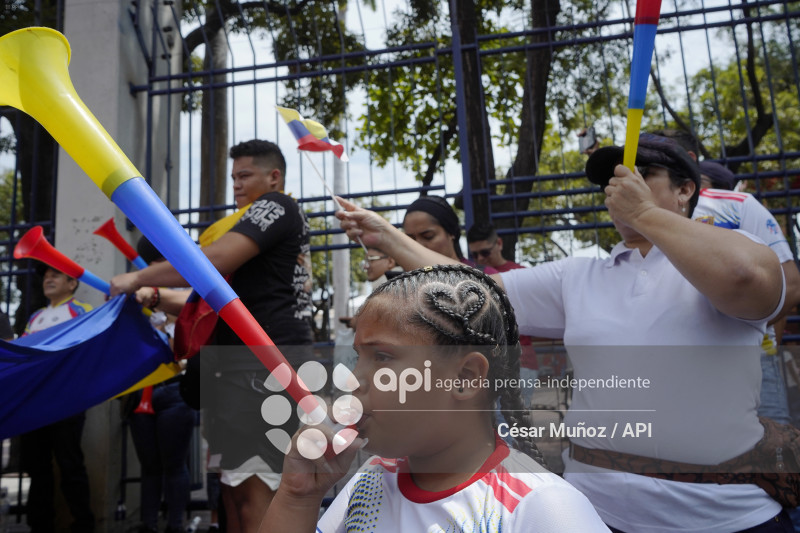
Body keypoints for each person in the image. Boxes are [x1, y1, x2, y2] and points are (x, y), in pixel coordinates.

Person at [334, 134, 791, 531]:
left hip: (723, 518)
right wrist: (388, 237)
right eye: (613, 177)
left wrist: (644, 213)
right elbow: (472, 289)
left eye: (642, 173)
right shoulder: (580, 276)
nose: (620, 184)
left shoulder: (732, 251)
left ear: (685, 189)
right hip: (597, 513)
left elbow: (747, 279)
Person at [260, 264, 610, 532]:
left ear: (465, 377)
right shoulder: (371, 480)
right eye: (358, 357)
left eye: (382, 357)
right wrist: (297, 496)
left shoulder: (542, 508)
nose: (353, 380)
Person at [111, 139, 313, 533]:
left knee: (256, 494)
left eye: (245, 175)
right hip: (239, 370)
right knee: (233, 492)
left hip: (262, 367)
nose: (236, 184)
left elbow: (214, 262)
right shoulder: (253, 230)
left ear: (274, 177)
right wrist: (154, 294)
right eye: (233, 176)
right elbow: (206, 302)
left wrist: (138, 277)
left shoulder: (277, 205)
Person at [127, 238, 197, 533]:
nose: (156, 265)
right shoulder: (139, 297)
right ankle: (149, 524)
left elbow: (185, 349)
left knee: (174, 464)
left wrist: (165, 325)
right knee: (150, 466)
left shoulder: (188, 295)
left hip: (175, 390)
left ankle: (176, 525)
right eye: (153, 260)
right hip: (142, 393)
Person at [21, 266, 95, 533]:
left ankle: (83, 524)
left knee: (70, 463)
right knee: (37, 466)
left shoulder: (82, 310)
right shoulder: (35, 317)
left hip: (67, 400)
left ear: (72, 283)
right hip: (35, 403)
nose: (47, 279)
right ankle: (39, 525)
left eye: (55, 275)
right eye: (45, 276)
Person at [403, 195, 497, 274]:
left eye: (428, 237)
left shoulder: (485, 276)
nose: (418, 246)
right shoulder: (405, 284)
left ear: (451, 233)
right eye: (410, 240)